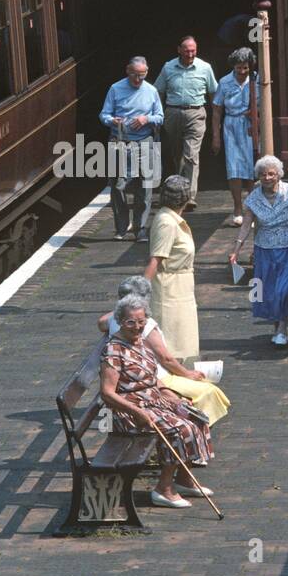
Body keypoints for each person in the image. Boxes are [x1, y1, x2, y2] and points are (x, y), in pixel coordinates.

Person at [100, 295, 213, 509]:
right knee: (180, 429)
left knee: (196, 417)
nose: (137, 327)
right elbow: (107, 393)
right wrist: (138, 412)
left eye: (141, 322)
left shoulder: (141, 343)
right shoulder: (114, 350)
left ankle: (184, 479)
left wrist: (172, 396)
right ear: (120, 321)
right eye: (130, 322)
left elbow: (153, 379)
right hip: (130, 412)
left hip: (153, 401)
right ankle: (164, 489)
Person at [98, 276, 230, 425]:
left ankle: (198, 426)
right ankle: (201, 424)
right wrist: (187, 374)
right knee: (209, 392)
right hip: (151, 381)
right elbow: (165, 359)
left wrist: (121, 310)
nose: (136, 325)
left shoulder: (115, 320)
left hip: (148, 379)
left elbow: (101, 322)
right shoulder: (142, 326)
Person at [229, 155, 288, 347]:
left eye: (271, 174)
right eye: (262, 174)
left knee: (284, 290)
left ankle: (283, 327)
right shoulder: (253, 197)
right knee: (266, 292)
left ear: (279, 175)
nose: (267, 178)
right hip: (264, 250)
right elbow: (246, 224)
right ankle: (277, 326)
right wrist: (237, 249)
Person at [99, 56, 164, 240]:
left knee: (145, 186)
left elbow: (160, 116)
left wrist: (147, 119)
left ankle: (140, 228)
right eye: (135, 75)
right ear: (128, 70)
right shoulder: (115, 88)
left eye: (142, 76)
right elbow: (104, 114)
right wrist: (112, 120)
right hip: (120, 141)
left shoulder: (151, 91)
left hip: (144, 141)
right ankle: (121, 227)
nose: (138, 80)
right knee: (118, 185)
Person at [155, 36, 218, 209]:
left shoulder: (205, 68)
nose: (190, 54)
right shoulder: (168, 67)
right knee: (177, 154)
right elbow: (157, 91)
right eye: (187, 50)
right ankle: (179, 188)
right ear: (179, 50)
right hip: (173, 112)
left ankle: (189, 195)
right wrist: (158, 114)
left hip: (196, 112)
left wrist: (215, 119)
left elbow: (214, 93)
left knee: (191, 154)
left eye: (193, 50)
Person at [144, 175, 200, 362]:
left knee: (184, 341)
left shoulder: (173, 219)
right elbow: (155, 260)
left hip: (181, 290)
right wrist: (139, 296)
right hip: (170, 291)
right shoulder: (166, 222)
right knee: (174, 344)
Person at [211, 47, 258, 225]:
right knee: (234, 168)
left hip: (250, 124)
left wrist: (255, 116)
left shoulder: (256, 79)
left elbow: (264, 104)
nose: (242, 71)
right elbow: (216, 111)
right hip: (231, 124)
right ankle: (237, 207)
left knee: (252, 167)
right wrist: (216, 136)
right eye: (239, 68)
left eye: (245, 67)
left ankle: (252, 209)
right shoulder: (224, 82)